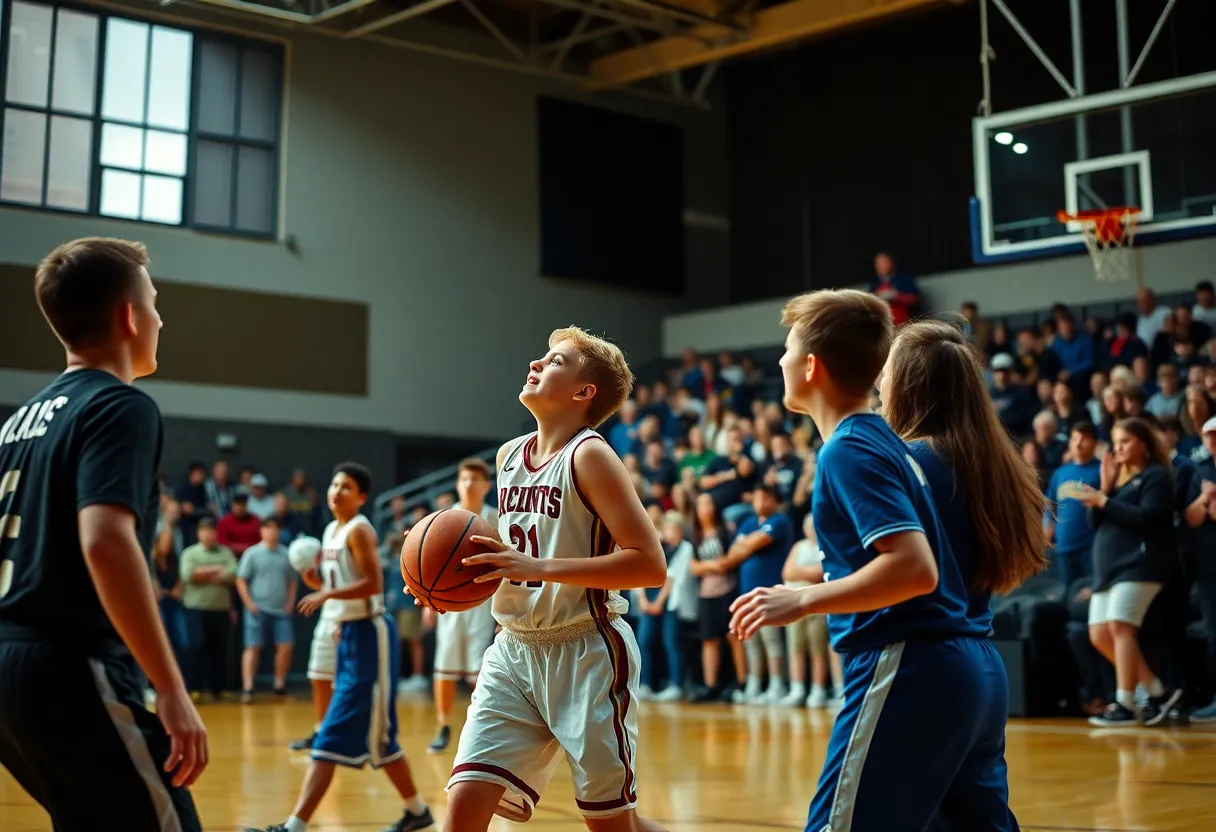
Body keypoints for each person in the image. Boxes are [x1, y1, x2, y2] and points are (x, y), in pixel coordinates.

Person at [729, 293, 1045, 832]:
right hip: (971, 659)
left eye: (786, 348)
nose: (880, 380)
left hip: (910, 658)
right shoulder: (923, 452)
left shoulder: (870, 451)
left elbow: (914, 569)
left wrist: (802, 597)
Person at [0, 237, 206, 830]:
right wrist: (169, 688)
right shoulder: (119, 407)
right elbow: (104, 540)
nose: (161, 318)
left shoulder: (19, 420)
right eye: (155, 302)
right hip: (65, 663)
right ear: (128, 316)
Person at [434, 326, 669, 832]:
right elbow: (506, 555)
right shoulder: (507, 456)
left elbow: (649, 564)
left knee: (611, 824)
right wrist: (440, 582)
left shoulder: (590, 455)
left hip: (587, 650)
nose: (538, 364)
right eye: (541, 356)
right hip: (513, 651)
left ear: (584, 393)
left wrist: (540, 568)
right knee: (461, 815)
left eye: (556, 361)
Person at [246, 463, 434, 832]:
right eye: (333, 484)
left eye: (346, 487)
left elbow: (373, 583)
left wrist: (328, 594)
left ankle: (293, 827)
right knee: (380, 742)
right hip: (348, 633)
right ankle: (417, 813)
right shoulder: (331, 530)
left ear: (361, 497)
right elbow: (336, 580)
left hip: (371, 635)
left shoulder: (359, 529)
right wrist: (314, 581)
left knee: (334, 733)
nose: (336, 491)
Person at [427, 457, 499, 754]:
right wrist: (427, 603)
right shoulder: (446, 518)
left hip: (483, 603)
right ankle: (443, 725)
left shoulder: (497, 518)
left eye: (474, 479)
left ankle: (478, 729)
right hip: (450, 603)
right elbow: (429, 564)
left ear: (486, 486)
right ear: (457, 484)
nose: (468, 483)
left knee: (478, 673)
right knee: (444, 669)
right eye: (463, 478)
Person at [236, 516, 298, 701]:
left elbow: (292, 581)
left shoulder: (286, 554)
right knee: (253, 647)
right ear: (262, 531)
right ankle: (248, 688)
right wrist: (249, 603)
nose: (272, 532)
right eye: (268, 528)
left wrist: (290, 602)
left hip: (281, 610)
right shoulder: (252, 553)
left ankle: (279, 685)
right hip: (257, 609)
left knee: (286, 646)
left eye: (276, 528)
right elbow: (241, 580)